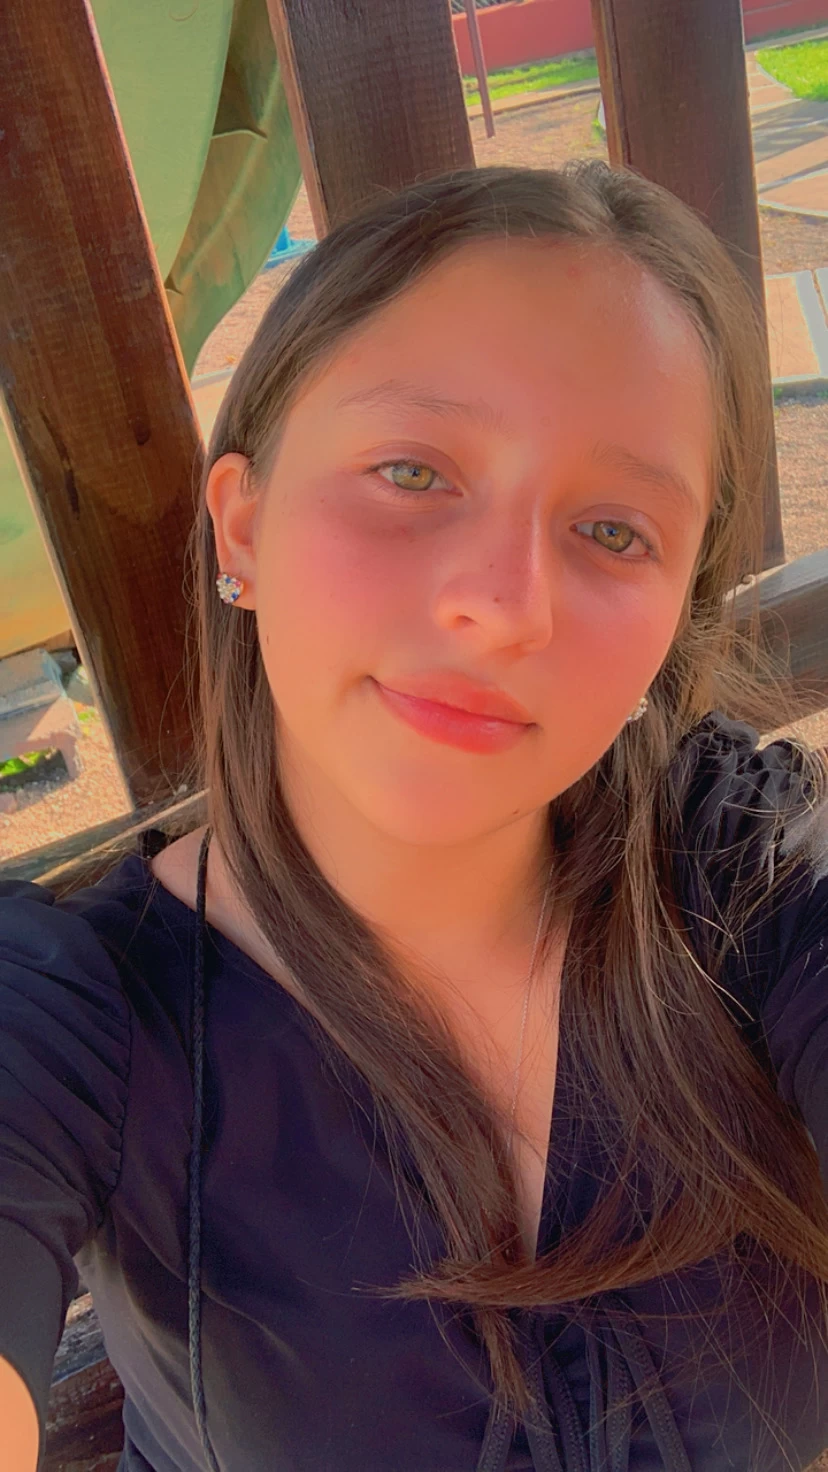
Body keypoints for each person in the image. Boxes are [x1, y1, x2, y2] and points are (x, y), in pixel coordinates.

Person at [1, 160, 826, 1472]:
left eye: (615, 532)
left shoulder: (749, 882)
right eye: (411, 469)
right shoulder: (72, 1019)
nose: (503, 606)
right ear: (244, 526)